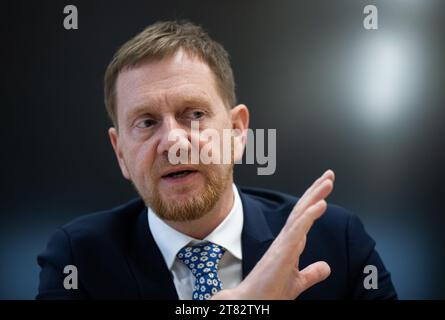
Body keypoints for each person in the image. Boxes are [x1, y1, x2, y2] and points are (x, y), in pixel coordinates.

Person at [36, 20, 397, 300]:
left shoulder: (337, 241)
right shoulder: (77, 259)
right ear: (120, 153)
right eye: (146, 122)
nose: (173, 142)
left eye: (193, 114)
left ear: (238, 132)